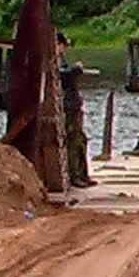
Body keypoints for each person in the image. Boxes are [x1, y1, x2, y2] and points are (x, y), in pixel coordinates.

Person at [56, 32, 97, 189]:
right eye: (63, 45)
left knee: (81, 139)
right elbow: (60, 76)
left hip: (73, 105)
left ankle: (82, 174)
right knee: (73, 139)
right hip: (67, 106)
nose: (64, 49)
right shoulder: (52, 61)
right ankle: (74, 176)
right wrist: (75, 70)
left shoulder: (61, 60)